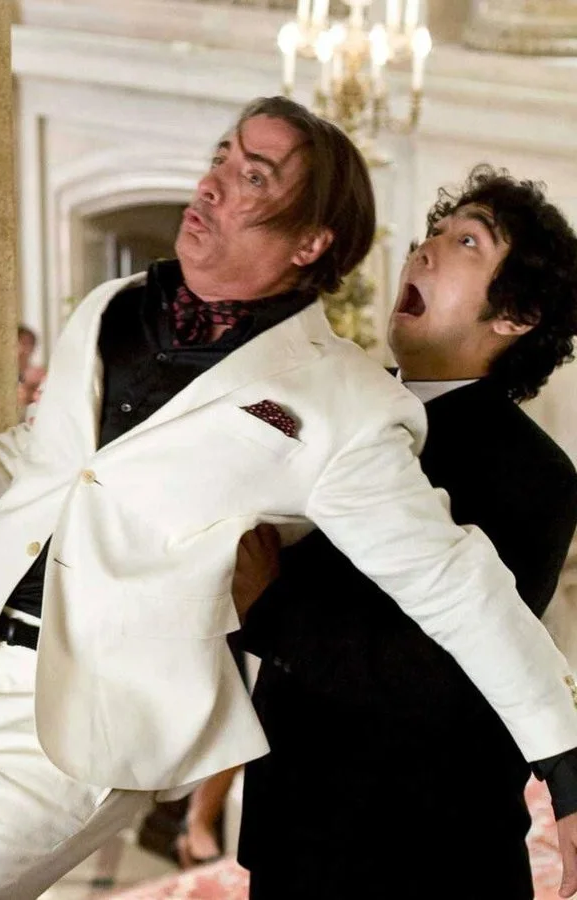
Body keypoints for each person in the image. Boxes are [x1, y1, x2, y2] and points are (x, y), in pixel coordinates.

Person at [0, 98, 577, 899]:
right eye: (222, 157)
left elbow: (460, 593)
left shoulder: (343, 405)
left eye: (253, 177)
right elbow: (47, 456)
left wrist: (568, 772)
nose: (213, 184)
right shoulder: (113, 307)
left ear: (312, 242)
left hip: (90, 721)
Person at [234, 166, 577, 899]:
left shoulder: (535, 473)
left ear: (516, 314)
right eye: (431, 233)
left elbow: (446, 678)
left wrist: (269, 607)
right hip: (292, 824)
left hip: (425, 851)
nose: (424, 250)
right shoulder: (338, 403)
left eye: (466, 242)